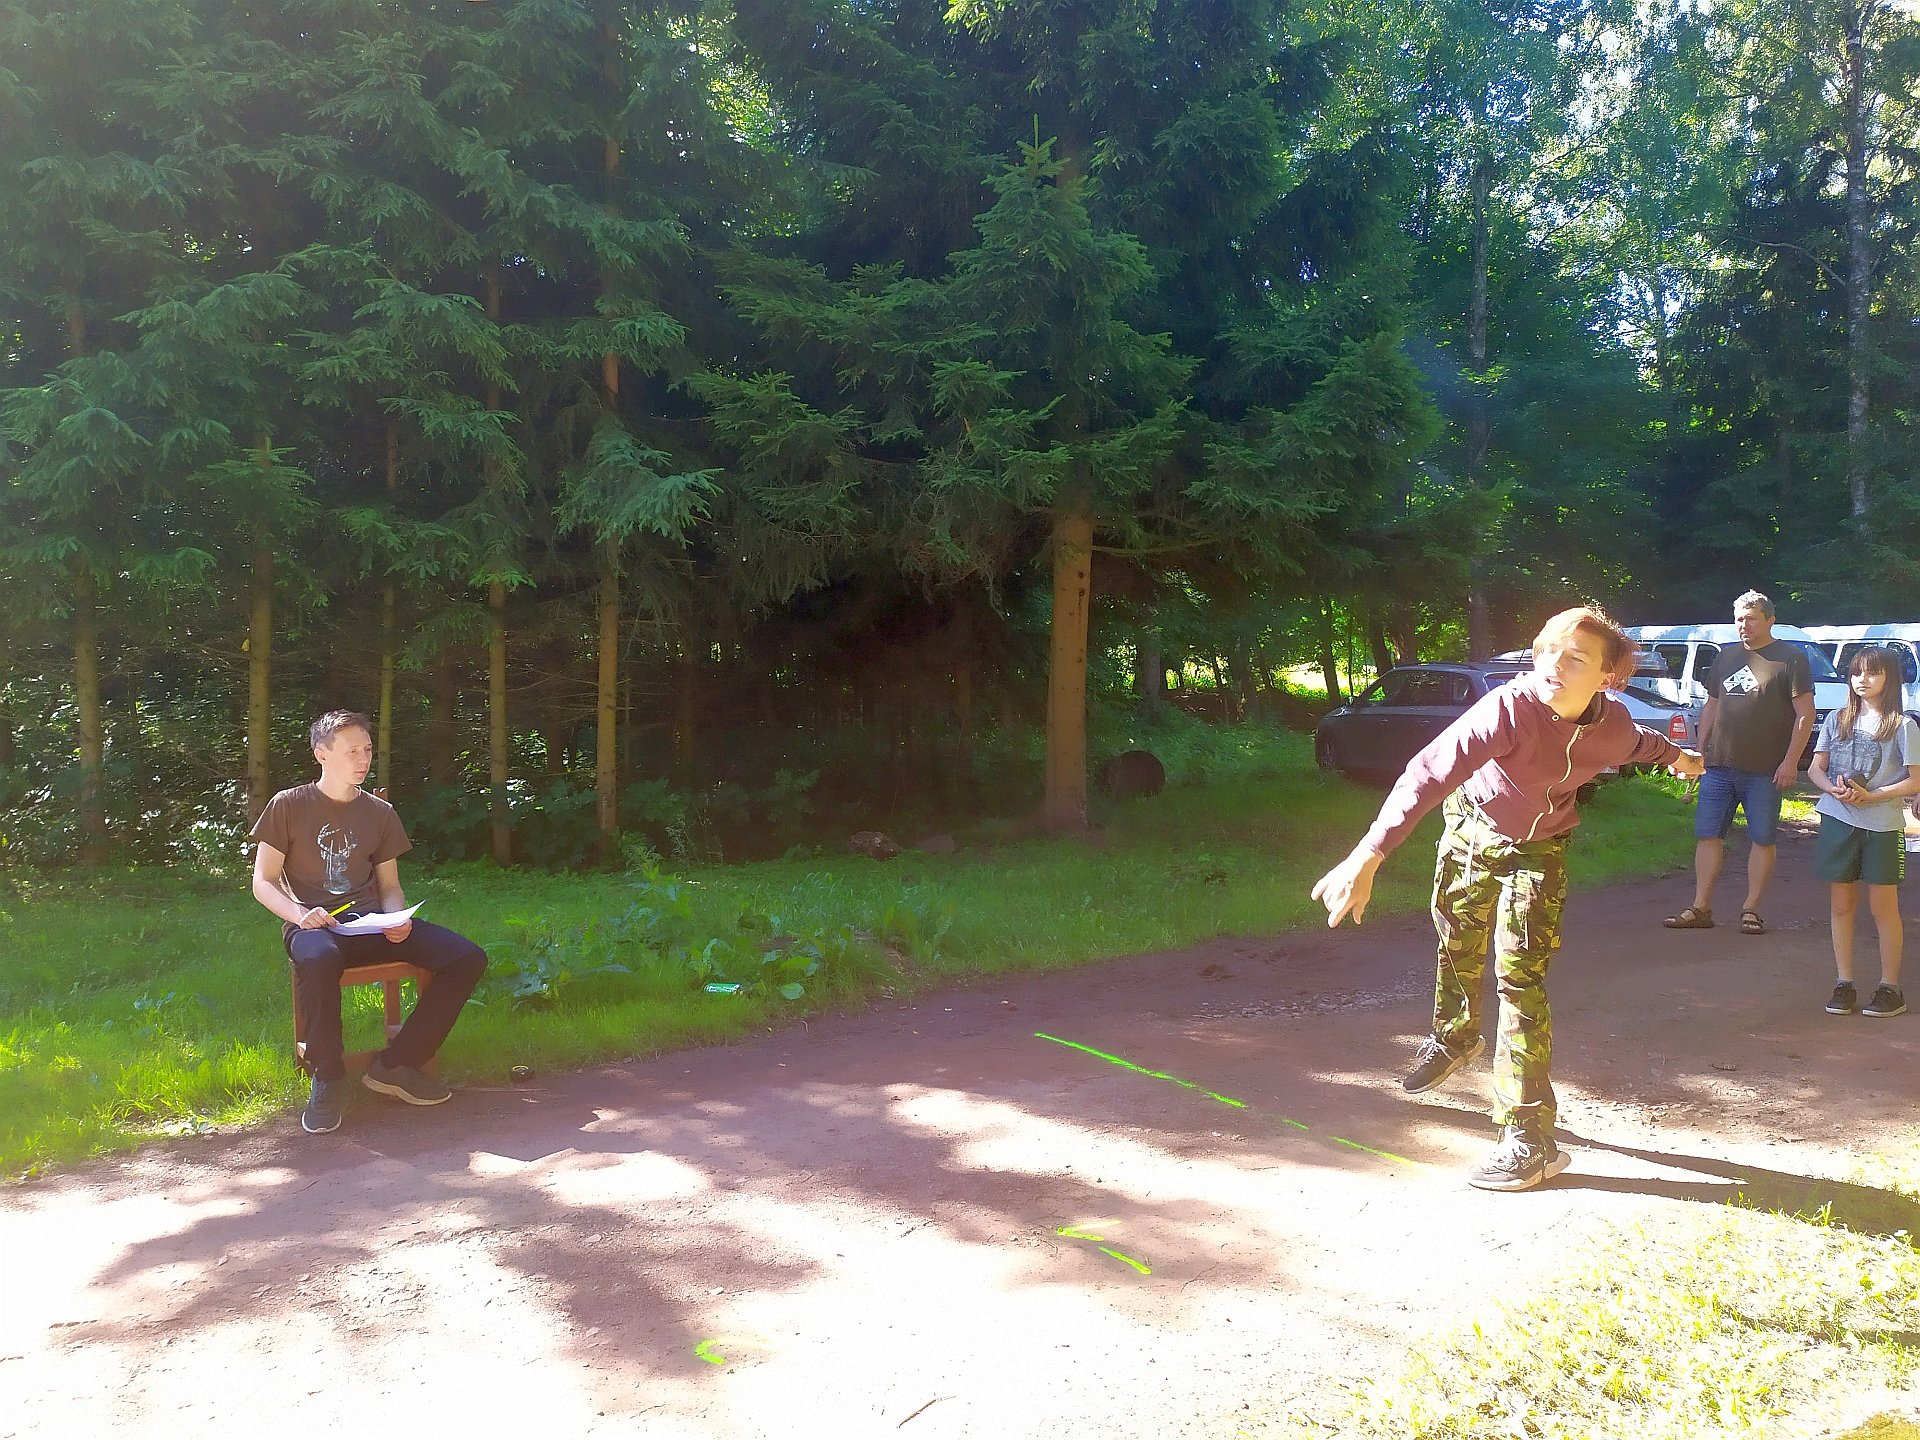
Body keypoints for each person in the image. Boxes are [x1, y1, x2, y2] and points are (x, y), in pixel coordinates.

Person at [1311, 607, 1704, 1191]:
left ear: (1607, 677)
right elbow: (1427, 774)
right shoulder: (1507, 709)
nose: (1553, 664)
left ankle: (1529, 1138)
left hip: (1541, 848)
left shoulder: (1613, 724)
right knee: (1457, 939)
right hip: (1472, 829)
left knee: (1520, 980)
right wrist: (1368, 856)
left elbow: (1643, 745)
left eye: (1576, 658)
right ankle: (1454, 1036)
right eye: (1548, 649)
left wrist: (1682, 758)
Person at [249, 710, 488, 1134]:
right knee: (319, 960)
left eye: (368, 750)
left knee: (467, 958)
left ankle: (397, 1065)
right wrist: (300, 914)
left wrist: (395, 917)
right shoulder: (288, 805)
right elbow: (263, 882)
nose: (363, 759)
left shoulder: (380, 812)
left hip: (370, 923)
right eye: (352, 751)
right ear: (321, 754)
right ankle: (327, 1077)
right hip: (311, 926)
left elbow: (390, 886)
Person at [1663, 590, 1814, 936]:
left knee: (1762, 838)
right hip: (1718, 766)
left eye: (1751, 618)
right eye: (1739, 619)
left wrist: (1790, 762)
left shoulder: (1790, 659)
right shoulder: (1726, 657)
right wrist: (1698, 751)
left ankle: (1751, 910)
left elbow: (1805, 714)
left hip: (1765, 770)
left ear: (1770, 620)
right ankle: (1700, 907)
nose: (1744, 625)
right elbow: (1712, 705)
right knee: (1707, 834)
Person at [1806, 646, 1913, 1019]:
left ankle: (1890, 988)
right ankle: (1844, 983)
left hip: (1882, 825)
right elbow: (1816, 768)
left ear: (1889, 678)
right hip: (1838, 819)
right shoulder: (1837, 719)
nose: (1862, 680)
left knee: (1884, 907)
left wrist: (1873, 796)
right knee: (1841, 904)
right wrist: (1831, 789)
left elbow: (1916, 780)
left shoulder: (1903, 725)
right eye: (1855, 673)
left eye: (1871, 673)